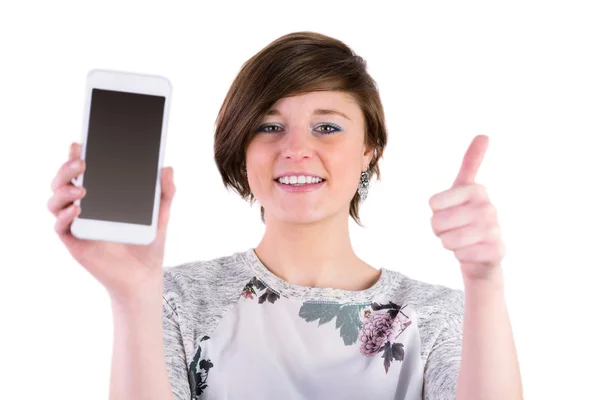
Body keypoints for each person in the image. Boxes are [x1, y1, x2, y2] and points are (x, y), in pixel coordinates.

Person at [48, 31, 522, 400]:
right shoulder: (171, 301)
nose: (296, 149)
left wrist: (485, 282)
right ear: (241, 149)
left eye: (327, 127)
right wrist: (133, 296)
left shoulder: (438, 318)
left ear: (368, 150)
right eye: (269, 126)